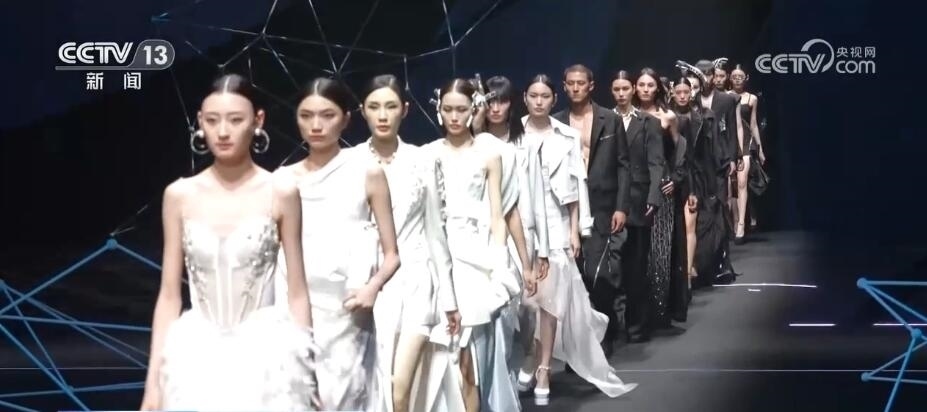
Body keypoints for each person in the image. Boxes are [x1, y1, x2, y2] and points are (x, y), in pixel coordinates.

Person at [140, 73, 319, 411]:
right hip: (195, 359)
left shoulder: (280, 192)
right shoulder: (179, 195)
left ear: (258, 121)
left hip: (266, 361)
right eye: (212, 120)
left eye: (235, 120)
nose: (222, 132)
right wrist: (153, 385)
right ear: (199, 123)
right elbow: (169, 296)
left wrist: (309, 380)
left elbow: (297, 292)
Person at [275, 77, 401, 411]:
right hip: (293, 308)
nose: (316, 125)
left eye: (327, 115)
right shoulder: (282, 179)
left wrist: (372, 287)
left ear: (346, 119)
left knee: (346, 400)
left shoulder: (367, 171)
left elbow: (392, 254)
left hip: (349, 311)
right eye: (306, 116)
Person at [517, 74, 638, 404]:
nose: (539, 101)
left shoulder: (566, 135)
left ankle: (544, 368)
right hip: (520, 224)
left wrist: (576, 229)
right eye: (533, 95)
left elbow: (576, 185)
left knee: (550, 300)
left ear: (553, 99)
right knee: (525, 303)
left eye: (545, 96)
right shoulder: (514, 135)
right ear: (525, 98)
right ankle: (531, 355)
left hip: (556, 223)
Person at [352, 74, 462, 412]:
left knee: (399, 389)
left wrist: (449, 298)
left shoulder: (423, 160)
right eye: (374, 107)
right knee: (376, 389)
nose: (383, 115)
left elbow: (436, 232)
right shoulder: (350, 163)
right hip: (369, 284)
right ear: (362, 111)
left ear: (405, 110)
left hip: (416, 281)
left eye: (390, 106)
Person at [417, 78, 521, 412]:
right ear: (439, 110)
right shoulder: (427, 154)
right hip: (437, 256)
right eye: (448, 109)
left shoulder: (489, 155)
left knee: (474, 359)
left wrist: (501, 266)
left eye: (461, 109)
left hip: (477, 259)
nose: (454, 117)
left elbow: (497, 215)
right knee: (444, 355)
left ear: (473, 109)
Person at [552, 64, 630, 356]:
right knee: (573, 277)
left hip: (602, 205)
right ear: (564, 85)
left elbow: (623, 165)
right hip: (568, 205)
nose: (575, 88)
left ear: (591, 85)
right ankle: (577, 345)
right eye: (570, 83)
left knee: (599, 274)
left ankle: (604, 333)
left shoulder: (609, 119)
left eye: (580, 83)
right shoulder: (556, 122)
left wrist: (621, 207)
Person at [610, 70, 665, 343]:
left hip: (639, 200)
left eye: (625, 88)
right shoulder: (604, 119)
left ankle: (636, 325)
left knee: (636, 265)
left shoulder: (648, 122)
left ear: (632, 89)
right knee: (612, 267)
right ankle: (612, 323)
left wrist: (654, 197)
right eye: (616, 89)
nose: (621, 93)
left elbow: (656, 162)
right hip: (610, 201)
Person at [727, 64, 766, 243]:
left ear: (746, 78)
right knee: (731, 186)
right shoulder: (724, 96)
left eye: (740, 77)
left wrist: (760, 148)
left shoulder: (751, 98)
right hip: (728, 141)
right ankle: (734, 221)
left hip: (746, 142)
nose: (737, 79)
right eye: (734, 76)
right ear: (730, 78)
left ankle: (742, 224)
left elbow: (754, 123)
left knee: (742, 182)